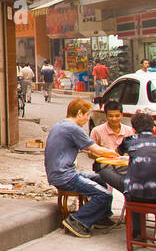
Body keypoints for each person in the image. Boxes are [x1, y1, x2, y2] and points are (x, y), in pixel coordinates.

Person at [44, 98, 117, 239]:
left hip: (60, 173)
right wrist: (117, 154)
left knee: (103, 179)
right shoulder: (73, 128)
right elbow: (95, 149)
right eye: (87, 115)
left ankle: (101, 216)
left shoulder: (60, 125)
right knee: (105, 195)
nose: (87, 119)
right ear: (79, 113)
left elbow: (86, 150)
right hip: (65, 176)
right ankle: (77, 220)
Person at [116, 111, 156, 238]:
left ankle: (137, 231)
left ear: (133, 129)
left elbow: (119, 152)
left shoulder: (129, 140)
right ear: (153, 128)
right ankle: (138, 230)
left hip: (137, 196)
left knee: (107, 173)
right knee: (136, 184)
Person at [91, 100, 134, 192]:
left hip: (124, 167)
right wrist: (104, 156)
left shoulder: (129, 131)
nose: (114, 119)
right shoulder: (97, 131)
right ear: (106, 115)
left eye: (117, 116)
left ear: (122, 115)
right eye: (110, 116)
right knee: (106, 192)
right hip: (104, 166)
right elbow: (91, 153)